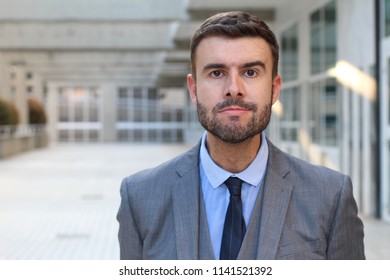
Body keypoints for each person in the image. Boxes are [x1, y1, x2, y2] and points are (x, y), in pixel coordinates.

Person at [117, 11, 365, 260]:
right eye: (216, 73)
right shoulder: (139, 197)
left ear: (274, 88)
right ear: (193, 90)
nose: (234, 89)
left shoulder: (330, 196)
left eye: (251, 72)